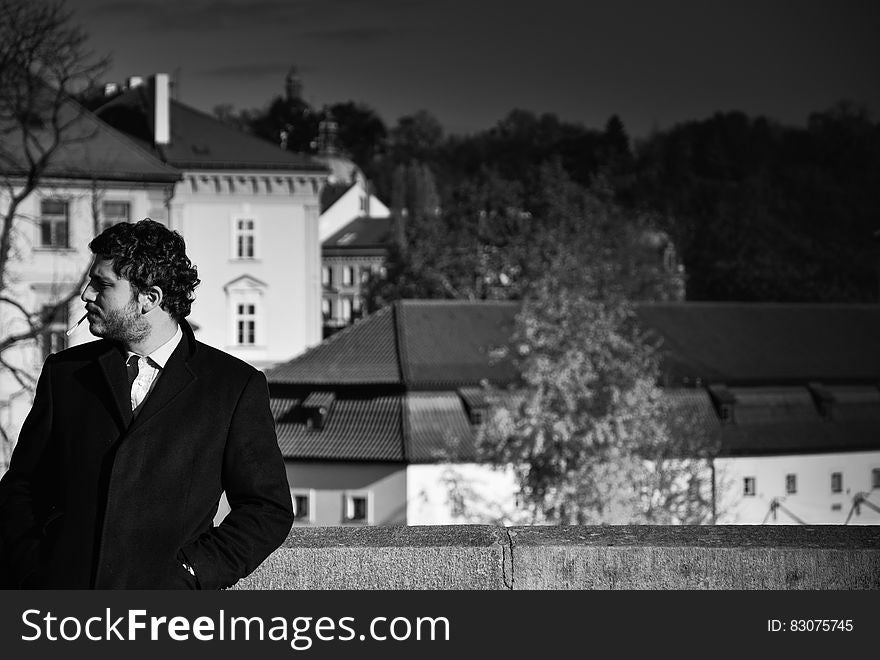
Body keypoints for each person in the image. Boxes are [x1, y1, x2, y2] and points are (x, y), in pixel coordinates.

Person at [0, 219, 293, 588]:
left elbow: (267, 510)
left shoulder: (232, 386)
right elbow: (22, 486)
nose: (87, 295)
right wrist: (35, 568)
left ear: (149, 299)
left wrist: (192, 573)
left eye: (103, 284)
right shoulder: (66, 373)